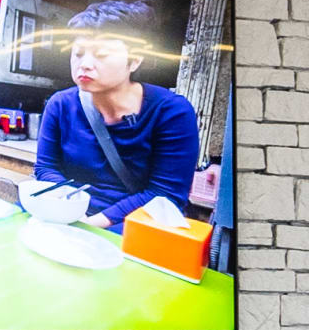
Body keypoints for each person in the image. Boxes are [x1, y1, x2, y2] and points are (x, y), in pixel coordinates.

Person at [34, 24, 199, 224]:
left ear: (135, 60)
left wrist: (89, 224)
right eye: (78, 53)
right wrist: (70, 208)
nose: (84, 64)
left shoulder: (172, 112)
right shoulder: (60, 104)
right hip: (70, 209)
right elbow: (46, 167)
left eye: (101, 55)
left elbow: (164, 193)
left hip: (136, 222)